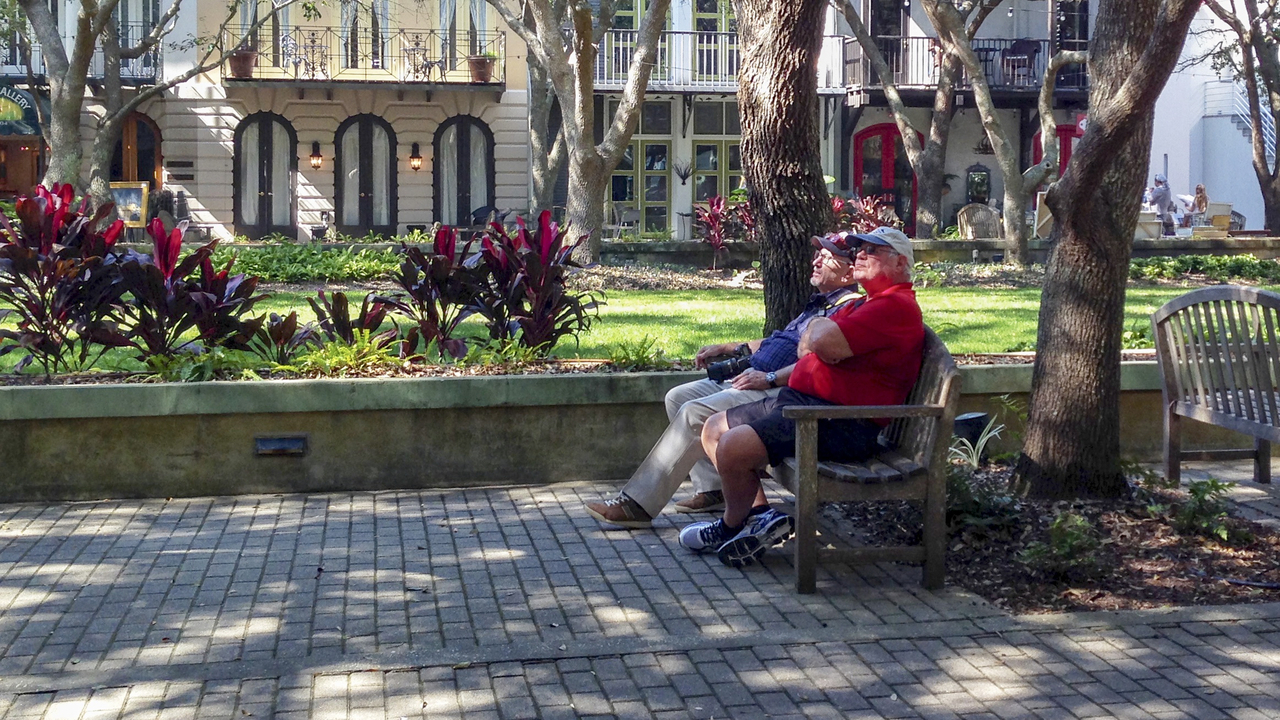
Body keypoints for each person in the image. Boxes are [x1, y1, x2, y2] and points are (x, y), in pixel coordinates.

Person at [678, 226, 924, 568]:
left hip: (838, 421)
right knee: (713, 428)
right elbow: (812, 341)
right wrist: (817, 338)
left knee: (732, 445)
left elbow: (818, 342)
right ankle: (758, 518)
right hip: (805, 404)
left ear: (900, 264)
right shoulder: (867, 305)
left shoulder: (893, 307)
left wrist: (818, 340)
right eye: (860, 249)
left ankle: (730, 525)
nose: (861, 255)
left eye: (873, 250)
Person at [584, 233, 862, 528]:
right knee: (677, 396)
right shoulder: (821, 303)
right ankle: (713, 488)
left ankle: (638, 504)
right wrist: (730, 347)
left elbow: (816, 363)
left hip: (779, 391)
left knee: (694, 412)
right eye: (817, 254)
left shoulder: (847, 310)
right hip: (754, 378)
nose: (816, 260)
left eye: (827, 257)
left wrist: (768, 378)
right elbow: (779, 341)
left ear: (849, 271)